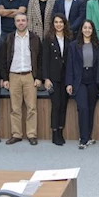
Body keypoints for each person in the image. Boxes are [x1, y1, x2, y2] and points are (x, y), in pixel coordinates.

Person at [1, 13, 43, 145]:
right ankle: (16, 134)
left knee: (32, 108)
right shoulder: (9, 38)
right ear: (15, 23)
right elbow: (2, 60)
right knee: (15, 108)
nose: (21, 23)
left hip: (30, 76)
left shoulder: (35, 38)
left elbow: (40, 59)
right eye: (18, 21)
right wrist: (5, 78)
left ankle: (31, 134)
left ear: (27, 22)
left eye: (23, 20)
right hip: (13, 76)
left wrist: (39, 77)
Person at [66, 20, 99, 149]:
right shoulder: (73, 46)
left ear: (93, 30)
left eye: (89, 28)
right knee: (83, 108)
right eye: (85, 28)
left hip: (93, 80)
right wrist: (69, 83)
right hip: (79, 81)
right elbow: (69, 65)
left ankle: (88, 137)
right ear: (81, 29)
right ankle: (83, 139)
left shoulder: (97, 45)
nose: (87, 30)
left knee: (91, 109)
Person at [43, 14, 72, 146]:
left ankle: (60, 130)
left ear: (64, 24)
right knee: (56, 105)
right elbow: (44, 60)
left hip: (66, 77)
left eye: (61, 22)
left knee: (64, 105)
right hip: (53, 78)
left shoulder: (69, 38)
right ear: (52, 24)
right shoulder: (48, 39)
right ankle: (54, 133)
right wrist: (46, 78)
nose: (58, 24)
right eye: (56, 22)